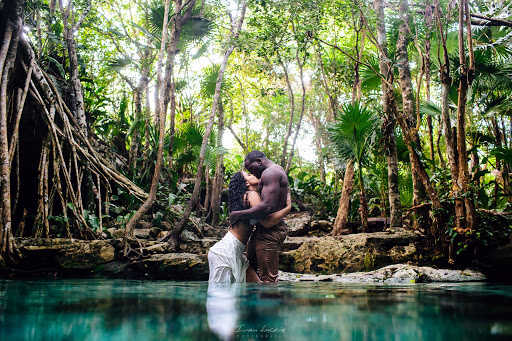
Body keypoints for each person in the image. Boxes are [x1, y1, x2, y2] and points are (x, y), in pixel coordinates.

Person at [208, 171, 291, 283]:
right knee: (222, 296)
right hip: (225, 252)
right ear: (246, 183)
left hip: (235, 252)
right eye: (249, 175)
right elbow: (267, 222)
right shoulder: (251, 195)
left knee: (256, 285)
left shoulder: (245, 197)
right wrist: (288, 208)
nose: (254, 175)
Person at [229, 151, 290, 282]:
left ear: (259, 161)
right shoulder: (272, 172)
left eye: (251, 169)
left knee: (268, 279)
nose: (253, 173)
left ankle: (268, 301)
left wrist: (238, 214)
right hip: (262, 230)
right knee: (250, 272)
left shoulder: (270, 173)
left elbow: (267, 207)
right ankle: (252, 302)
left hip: (271, 230)